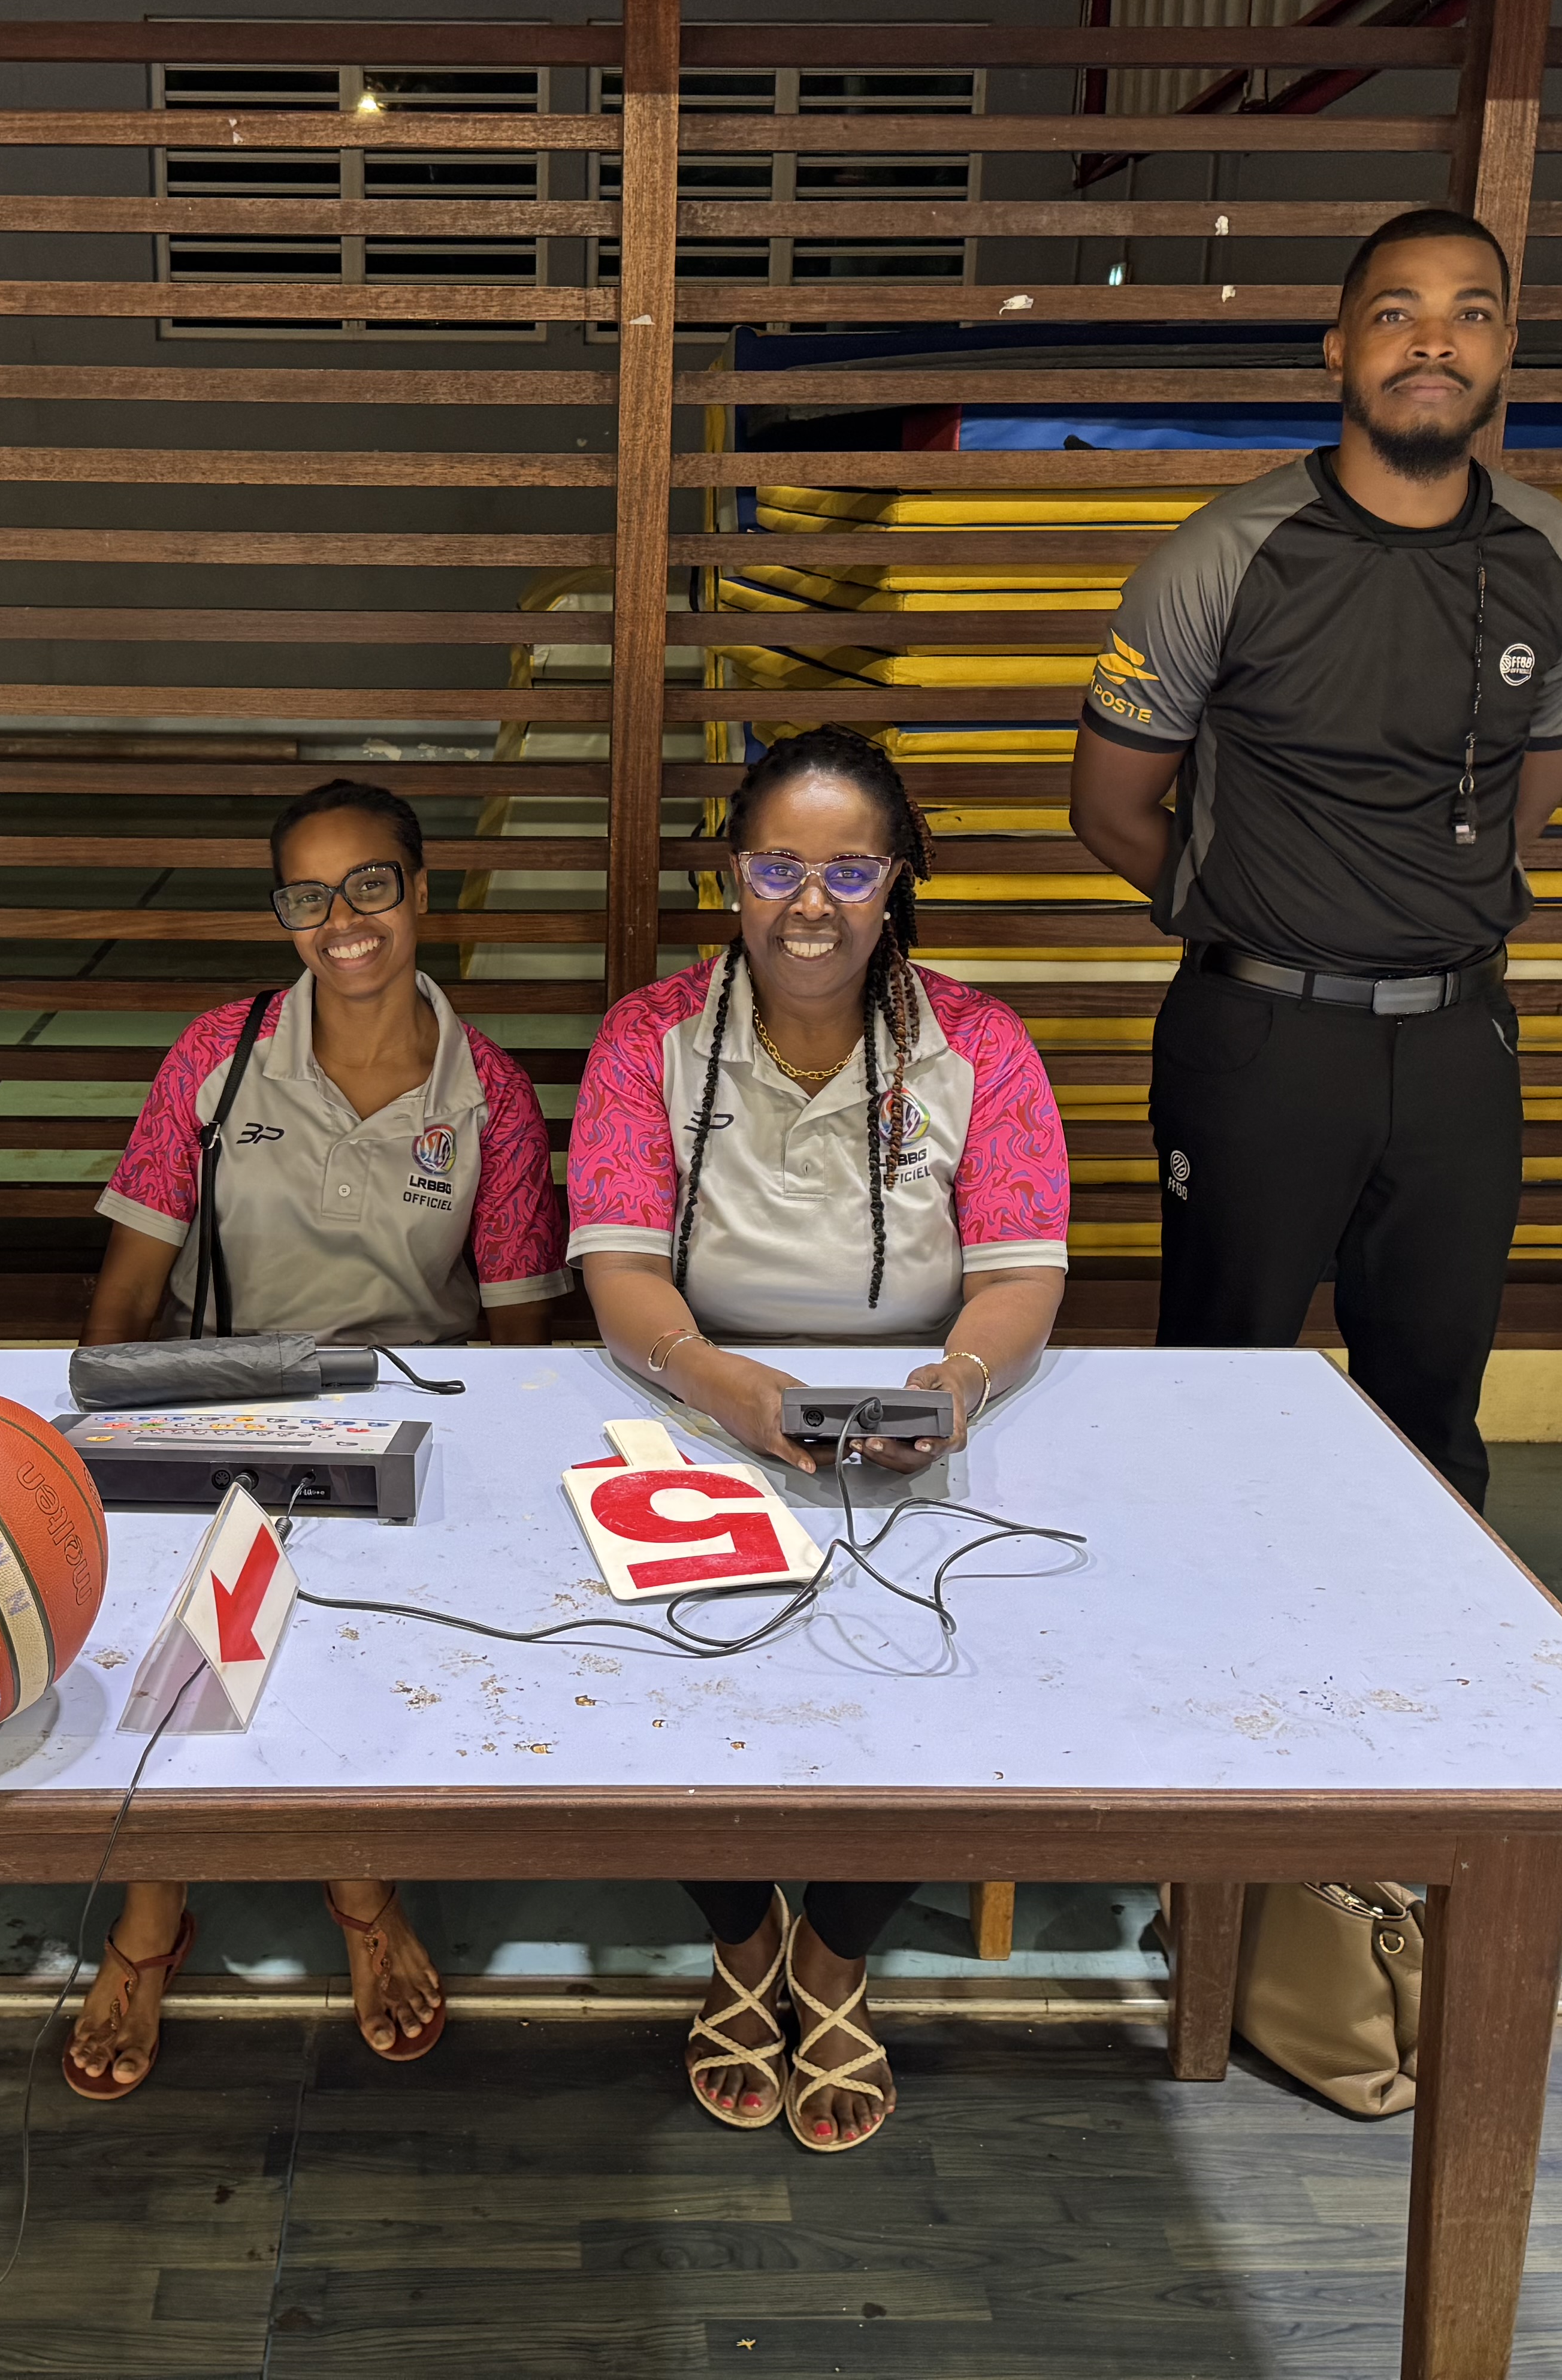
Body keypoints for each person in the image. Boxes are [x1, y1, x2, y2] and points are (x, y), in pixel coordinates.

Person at [566, 724, 1071, 2152]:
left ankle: (836, 1949)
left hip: (923, 1416)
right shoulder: (648, 1038)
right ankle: (742, 1934)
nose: (811, 903)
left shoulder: (980, 1044)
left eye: (849, 871)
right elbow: (619, 1273)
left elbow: (1021, 1277)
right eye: (779, 867)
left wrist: (954, 1386)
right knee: (646, 1663)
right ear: (732, 875)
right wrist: (720, 1386)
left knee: (951, 1661)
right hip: (688, 1398)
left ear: (897, 879)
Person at [1067, 207, 1562, 1512]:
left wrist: (1417, 917)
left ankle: (1427, 1632)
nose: (1434, 341)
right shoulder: (1223, 555)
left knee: (1434, 1405)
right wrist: (1258, 908)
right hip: (1261, 1039)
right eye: (1395, 313)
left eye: (1470, 313)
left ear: (1507, 348)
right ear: (1338, 348)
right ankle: (1203, 1624)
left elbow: (1523, 810)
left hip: (1460, 1046)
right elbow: (1111, 809)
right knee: (1216, 1393)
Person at [65, 777, 570, 2099]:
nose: (343, 920)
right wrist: (100, 1450)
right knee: (175, 1632)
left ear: (423, 891)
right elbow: (126, 1299)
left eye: (372, 885)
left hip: (406, 1426)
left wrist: (492, 1499)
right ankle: (157, 1909)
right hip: (212, 1403)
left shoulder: (490, 1093)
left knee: (356, 1636)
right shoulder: (218, 1055)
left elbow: (520, 1340)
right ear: (283, 913)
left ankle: (356, 1886)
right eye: (309, 895)